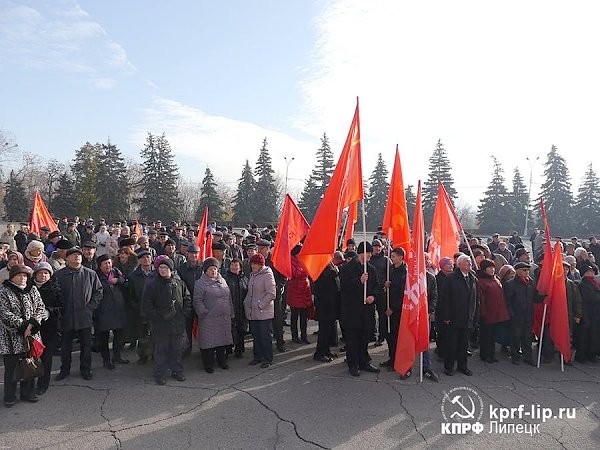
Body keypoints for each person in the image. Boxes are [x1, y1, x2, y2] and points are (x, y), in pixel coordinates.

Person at [54, 247, 103, 381]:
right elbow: (54, 295)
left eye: (79, 255)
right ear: (67, 258)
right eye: (73, 255)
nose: (77, 257)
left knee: (86, 345)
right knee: (66, 346)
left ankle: (86, 369)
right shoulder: (59, 275)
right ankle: (64, 370)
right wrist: (60, 311)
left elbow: (98, 292)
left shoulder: (90, 274)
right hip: (66, 317)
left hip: (84, 316)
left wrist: (90, 308)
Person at [0, 264, 45, 407]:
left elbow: (40, 307)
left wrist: (31, 325)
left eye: (25, 276)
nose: (22, 278)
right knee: (11, 368)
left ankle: (28, 393)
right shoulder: (4, 292)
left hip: (31, 335)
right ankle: (9, 396)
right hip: (11, 338)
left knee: (30, 364)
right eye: (19, 275)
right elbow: (5, 313)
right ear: (12, 277)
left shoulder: (32, 289)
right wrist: (23, 325)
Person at [141, 257, 191, 385]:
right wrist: (157, 316)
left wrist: (184, 314)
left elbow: (187, 299)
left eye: (165, 268)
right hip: (160, 324)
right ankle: (160, 373)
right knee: (161, 350)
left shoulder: (179, 283)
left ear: (171, 269)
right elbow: (147, 304)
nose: (162, 270)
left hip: (177, 323)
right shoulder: (153, 285)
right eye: (160, 268)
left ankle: (177, 371)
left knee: (176, 349)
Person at [339, 242, 380, 377]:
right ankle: (353, 364)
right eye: (367, 253)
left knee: (364, 338)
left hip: (367, 311)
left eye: (370, 253)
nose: (369, 255)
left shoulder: (371, 269)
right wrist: (359, 281)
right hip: (352, 310)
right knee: (352, 340)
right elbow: (344, 288)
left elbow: (376, 286)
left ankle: (364, 362)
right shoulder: (347, 269)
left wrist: (373, 296)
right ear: (360, 253)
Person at [437, 254, 478, 376]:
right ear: (459, 264)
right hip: (454, 317)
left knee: (463, 344)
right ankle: (448, 367)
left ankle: (462, 366)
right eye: (467, 262)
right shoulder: (451, 278)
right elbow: (445, 299)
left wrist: (475, 315)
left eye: (470, 261)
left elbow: (476, 299)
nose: (470, 263)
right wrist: (447, 316)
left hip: (467, 317)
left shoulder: (472, 278)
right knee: (452, 344)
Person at [193, 257, 234, 373]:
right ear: (205, 270)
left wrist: (231, 311)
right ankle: (208, 364)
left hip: (223, 317)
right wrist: (203, 312)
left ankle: (222, 361)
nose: (213, 271)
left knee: (222, 341)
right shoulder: (200, 283)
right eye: (211, 269)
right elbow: (197, 300)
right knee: (209, 343)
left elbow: (228, 297)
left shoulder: (222, 280)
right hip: (208, 318)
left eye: (215, 269)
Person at [30, 262, 63, 395]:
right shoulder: (29, 287)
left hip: (50, 328)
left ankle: (43, 383)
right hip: (31, 328)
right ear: (35, 274)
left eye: (46, 273)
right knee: (31, 357)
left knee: (46, 357)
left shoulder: (55, 288)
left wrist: (49, 312)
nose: (43, 275)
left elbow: (62, 307)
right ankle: (29, 383)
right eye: (40, 272)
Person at [95, 254, 129, 369]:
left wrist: (118, 280)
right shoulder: (95, 275)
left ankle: (117, 355)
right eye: (105, 263)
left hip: (118, 309)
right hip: (103, 310)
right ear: (100, 266)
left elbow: (125, 281)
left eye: (109, 262)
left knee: (119, 335)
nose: (108, 265)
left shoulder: (115, 271)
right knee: (104, 338)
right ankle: (106, 359)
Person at [244, 253, 276, 368]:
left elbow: (271, 293)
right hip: (253, 312)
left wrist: (260, 305)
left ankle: (268, 358)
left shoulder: (267, 274)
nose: (253, 266)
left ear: (261, 264)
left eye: (255, 264)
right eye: (252, 263)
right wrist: (246, 304)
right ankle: (258, 357)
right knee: (256, 335)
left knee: (265, 336)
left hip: (264, 312)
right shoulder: (253, 274)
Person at [476, 259, 510, 363]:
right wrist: (483, 313)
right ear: (484, 269)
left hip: (497, 312)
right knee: (486, 335)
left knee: (492, 336)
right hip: (487, 313)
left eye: (493, 267)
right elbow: (481, 299)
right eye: (489, 268)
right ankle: (485, 355)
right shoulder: (480, 281)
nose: (492, 270)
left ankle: (492, 354)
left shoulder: (495, 279)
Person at [503, 262, 536, 366]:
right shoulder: (510, 284)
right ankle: (515, 356)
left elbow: (535, 297)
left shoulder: (530, 282)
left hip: (528, 315)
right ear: (517, 271)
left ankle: (528, 357)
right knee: (516, 337)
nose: (526, 272)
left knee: (527, 337)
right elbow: (507, 301)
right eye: (524, 270)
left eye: (527, 270)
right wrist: (512, 314)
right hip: (516, 315)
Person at [313, 252, 343, 362]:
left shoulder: (331, 267)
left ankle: (326, 350)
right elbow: (320, 284)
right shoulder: (323, 269)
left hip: (331, 305)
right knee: (324, 331)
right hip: (324, 306)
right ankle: (320, 353)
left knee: (328, 330)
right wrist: (334, 273)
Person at [381, 247, 407, 371]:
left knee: (396, 336)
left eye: (394, 256)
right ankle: (391, 358)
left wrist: (393, 308)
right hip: (387, 307)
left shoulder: (405, 273)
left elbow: (403, 294)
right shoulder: (390, 270)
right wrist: (385, 285)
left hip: (398, 310)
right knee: (389, 335)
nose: (392, 258)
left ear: (401, 257)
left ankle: (397, 360)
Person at [286, 246, 312, 344]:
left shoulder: (304, 260)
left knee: (304, 317)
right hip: (295, 291)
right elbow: (295, 273)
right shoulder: (291, 261)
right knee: (294, 316)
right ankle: (295, 336)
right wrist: (305, 271)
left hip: (305, 290)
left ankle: (304, 336)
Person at [575, 262, 600, 363]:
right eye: (589, 271)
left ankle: (592, 354)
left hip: (595, 314)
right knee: (584, 336)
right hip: (588, 313)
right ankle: (582, 356)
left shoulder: (595, 283)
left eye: (593, 271)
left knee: (594, 336)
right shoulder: (583, 285)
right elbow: (585, 301)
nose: (592, 273)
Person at [224, 258, 248, 358]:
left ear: (240, 267)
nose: (234, 267)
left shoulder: (244, 278)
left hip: (242, 308)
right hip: (230, 308)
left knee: (241, 329)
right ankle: (228, 349)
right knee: (229, 329)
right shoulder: (225, 278)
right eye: (232, 265)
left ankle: (239, 349)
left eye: (236, 265)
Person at [369, 239, 390, 346]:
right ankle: (371, 334)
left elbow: (391, 274)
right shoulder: (369, 259)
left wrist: (388, 283)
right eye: (375, 246)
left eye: (379, 246)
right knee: (370, 314)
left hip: (382, 291)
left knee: (382, 315)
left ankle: (382, 336)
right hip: (370, 290)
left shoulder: (386, 260)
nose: (377, 248)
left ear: (382, 247)